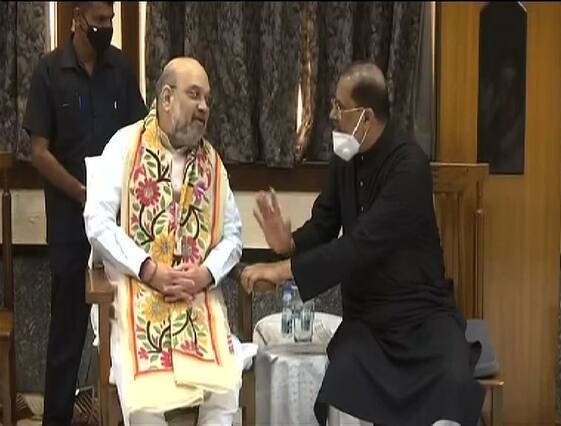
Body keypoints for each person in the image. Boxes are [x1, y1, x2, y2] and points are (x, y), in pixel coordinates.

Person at [241, 62, 485, 426]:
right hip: (367, 321)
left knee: (452, 384)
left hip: (421, 316)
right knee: (344, 382)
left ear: (365, 116)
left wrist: (282, 271)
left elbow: (359, 246)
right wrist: (288, 243)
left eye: (340, 107)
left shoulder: (409, 165)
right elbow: (324, 225)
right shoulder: (345, 159)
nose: (332, 114)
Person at [84, 57, 247, 425]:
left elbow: (233, 236)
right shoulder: (125, 146)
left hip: (193, 295)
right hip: (135, 291)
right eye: (194, 95)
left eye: (207, 99)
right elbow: (97, 221)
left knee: (225, 387)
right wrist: (148, 269)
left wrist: (205, 273)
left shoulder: (212, 163)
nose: (204, 107)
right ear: (167, 98)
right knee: (144, 397)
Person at [22, 2, 147, 425]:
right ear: (77, 18)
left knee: (124, 327)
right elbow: (39, 152)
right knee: (67, 333)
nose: (106, 27)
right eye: (99, 21)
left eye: (111, 20)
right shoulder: (49, 72)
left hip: (119, 225)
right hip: (69, 222)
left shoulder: (121, 69)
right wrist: (83, 194)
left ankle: (116, 416)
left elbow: (141, 136)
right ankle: (57, 418)